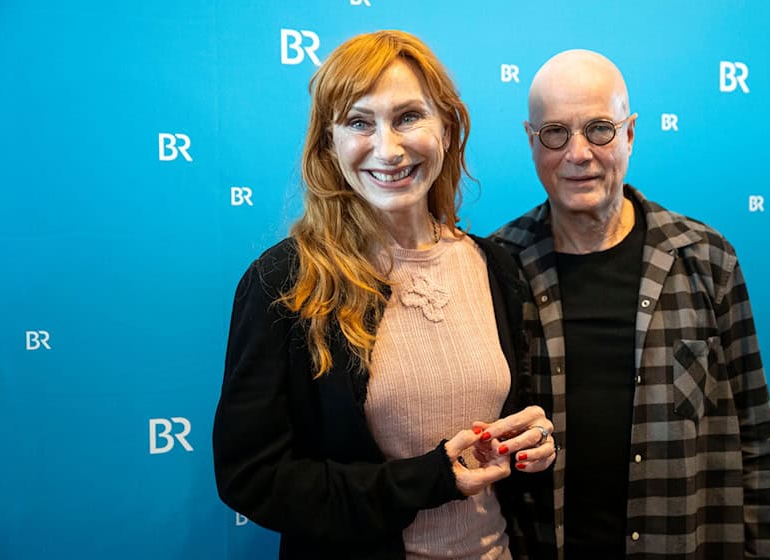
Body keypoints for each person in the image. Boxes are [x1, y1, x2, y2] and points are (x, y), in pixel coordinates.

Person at [212, 30, 555, 560]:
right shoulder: (284, 282)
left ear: (447, 127)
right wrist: (428, 480)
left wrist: (531, 446)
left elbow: (508, 436)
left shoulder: (497, 266)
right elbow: (252, 477)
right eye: (359, 122)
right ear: (329, 143)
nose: (388, 148)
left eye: (408, 117)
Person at [491, 50, 770, 558]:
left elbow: (756, 439)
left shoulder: (707, 259)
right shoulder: (499, 267)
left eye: (599, 129)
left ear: (630, 133)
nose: (578, 153)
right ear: (531, 141)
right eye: (556, 133)